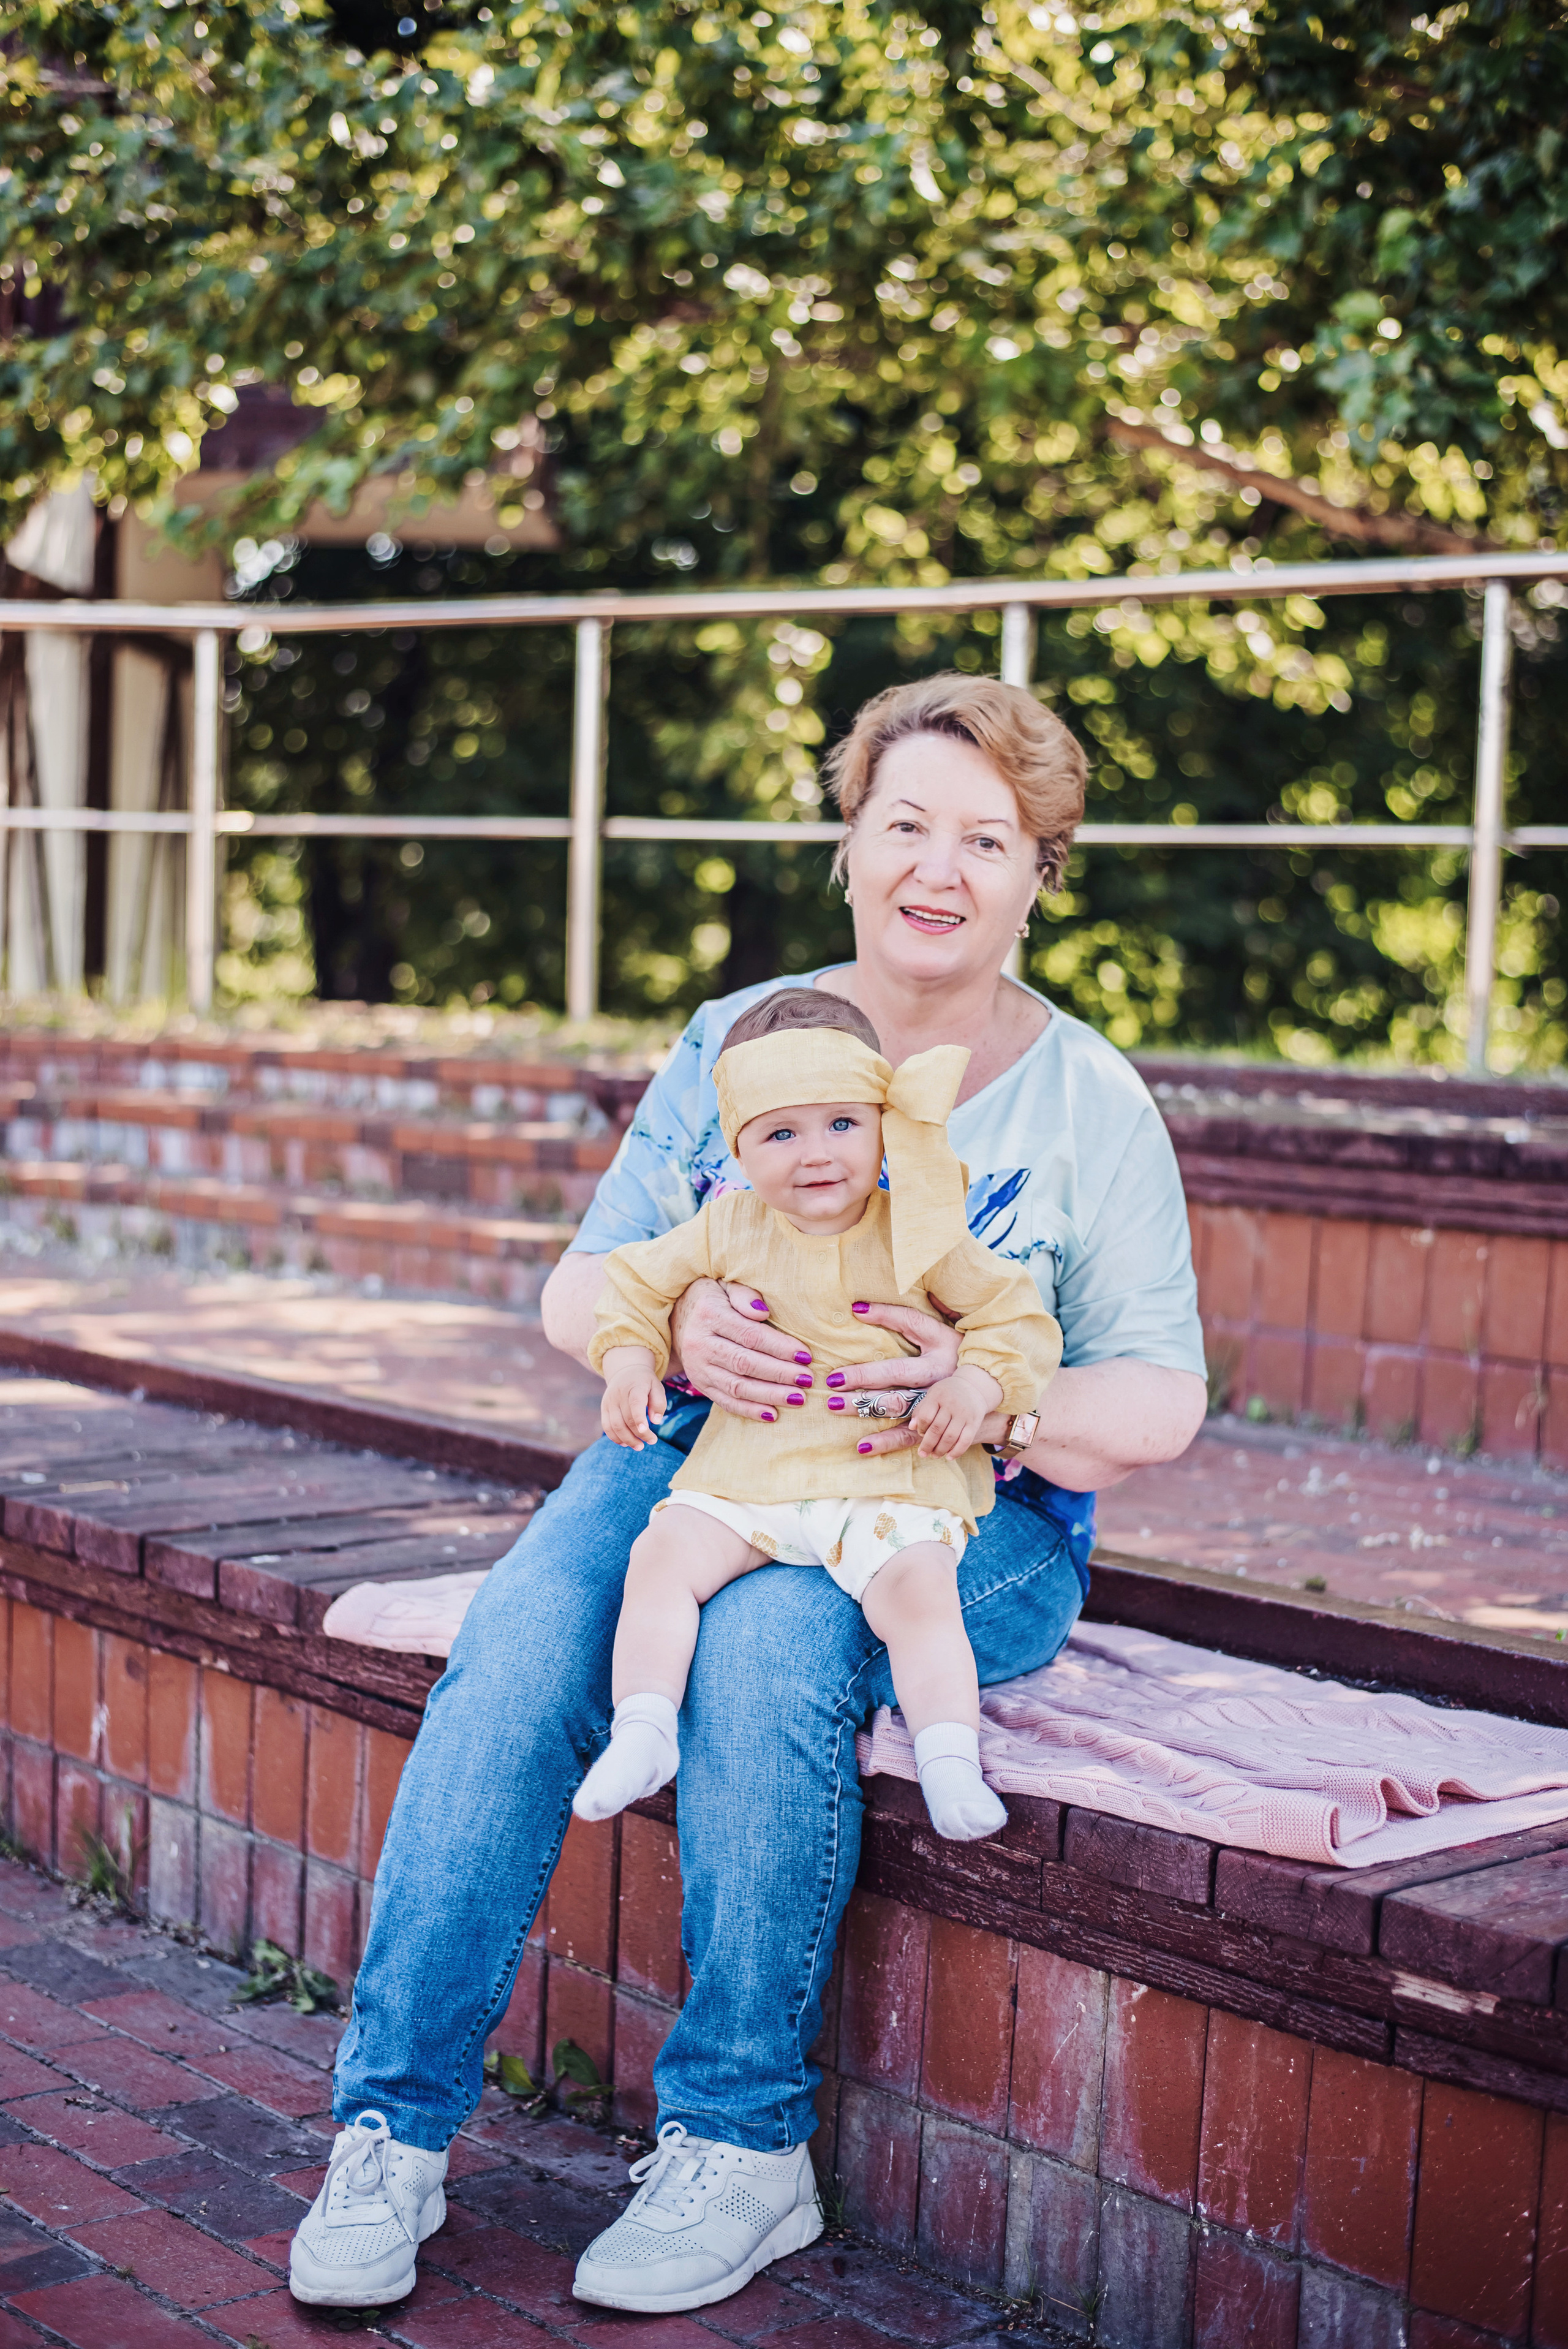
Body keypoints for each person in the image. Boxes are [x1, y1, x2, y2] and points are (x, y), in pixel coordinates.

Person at [288, 670, 1208, 2320]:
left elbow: (1159, 1401)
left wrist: (989, 1393)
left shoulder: (1090, 1103)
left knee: (777, 1639)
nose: (940, 863)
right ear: (849, 846)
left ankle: (742, 2144)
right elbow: (582, 1293)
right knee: (520, 1650)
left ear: (1038, 875)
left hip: (960, 1513)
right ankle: (390, 2130)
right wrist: (677, 1318)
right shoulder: (738, 1042)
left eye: (987, 837)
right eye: (906, 822)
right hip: (704, 1455)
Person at [578, 988, 1063, 1841]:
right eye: (781, 1132)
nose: (817, 1155)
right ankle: (644, 1730)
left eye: (843, 1122)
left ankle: (950, 1761)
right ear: (738, 1149)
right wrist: (628, 1359)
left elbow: (1014, 1317)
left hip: (885, 1475)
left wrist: (977, 1387)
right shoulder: (730, 1224)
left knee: (919, 1596)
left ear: (881, 1120)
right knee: (658, 1557)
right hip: (755, 1470)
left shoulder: (918, 1229)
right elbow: (633, 1282)